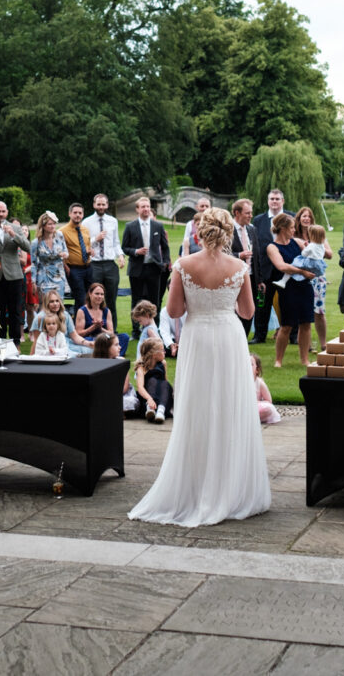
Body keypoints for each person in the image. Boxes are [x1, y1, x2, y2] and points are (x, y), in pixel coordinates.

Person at [129, 207, 270, 527]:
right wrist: (225, 297)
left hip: (197, 337)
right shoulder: (239, 266)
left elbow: (175, 310)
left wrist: (199, 298)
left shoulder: (183, 265)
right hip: (229, 336)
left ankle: (196, 484)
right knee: (229, 404)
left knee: (199, 406)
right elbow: (247, 312)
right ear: (228, 233)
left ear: (200, 232)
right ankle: (230, 485)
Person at [266, 213, 315, 368]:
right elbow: (281, 266)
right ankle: (278, 360)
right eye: (292, 227)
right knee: (287, 325)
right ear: (282, 228)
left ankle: (305, 359)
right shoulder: (272, 247)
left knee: (306, 323)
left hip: (305, 286)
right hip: (287, 289)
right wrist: (302, 271)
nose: (294, 230)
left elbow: (310, 257)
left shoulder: (297, 242)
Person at [0, 201, 32, 346]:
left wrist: (13, 235)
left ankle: (16, 343)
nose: (1, 214)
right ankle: (1, 341)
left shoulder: (16, 228)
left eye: (3, 211)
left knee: (15, 310)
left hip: (14, 274)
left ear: (7, 212)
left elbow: (27, 246)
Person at [122, 196, 171, 337]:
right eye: (143, 207)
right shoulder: (130, 226)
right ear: (137, 209)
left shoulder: (158, 226)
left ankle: (155, 328)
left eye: (148, 206)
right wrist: (136, 251)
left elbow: (165, 247)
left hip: (154, 268)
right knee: (136, 299)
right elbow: (124, 247)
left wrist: (166, 262)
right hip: (137, 268)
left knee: (154, 299)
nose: (146, 209)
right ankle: (135, 329)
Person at [250, 188, 291, 344]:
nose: (274, 201)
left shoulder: (291, 217)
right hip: (265, 269)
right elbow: (255, 245)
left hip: (285, 268)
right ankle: (259, 335)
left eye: (277, 199)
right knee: (262, 303)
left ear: (282, 201)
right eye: (272, 199)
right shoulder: (259, 220)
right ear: (268, 201)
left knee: (288, 302)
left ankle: (292, 335)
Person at [294, 210, 332, 352]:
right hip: (302, 276)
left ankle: (323, 343)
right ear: (299, 218)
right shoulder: (294, 235)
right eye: (304, 216)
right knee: (304, 310)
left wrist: (317, 245)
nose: (307, 218)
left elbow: (330, 254)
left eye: (309, 216)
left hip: (318, 277)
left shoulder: (319, 234)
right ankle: (306, 344)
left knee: (319, 311)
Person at [83, 193, 123, 321]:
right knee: (94, 298)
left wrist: (120, 255)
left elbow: (116, 242)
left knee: (111, 298)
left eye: (103, 204)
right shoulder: (87, 222)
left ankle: (112, 329)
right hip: (94, 265)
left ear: (107, 205)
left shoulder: (113, 221)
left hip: (110, 264)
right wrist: (96, 239)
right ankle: (95, 325)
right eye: (98, 204)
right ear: (94, 205)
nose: (101, 206)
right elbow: (84, 243)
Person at [229, 198, 262, 337]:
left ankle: (244, 339)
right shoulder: (227, 230)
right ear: (237, 213)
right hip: (233, 277)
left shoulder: (252, 229)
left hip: (251, 277)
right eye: (247, 213)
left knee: (250, 310)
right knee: (234, 311)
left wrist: (260, 280)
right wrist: (239, 255)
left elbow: (258, 256)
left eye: (251, 213)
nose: (250, 216)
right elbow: (222, 254)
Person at [28, 290, 91, 355]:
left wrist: (88, 343)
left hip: (67, 344)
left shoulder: (65, 315)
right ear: (47, 303)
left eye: (57, 301)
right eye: (51, 301)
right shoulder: (40, 317)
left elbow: (74, 336)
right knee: (74, 356)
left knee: (90, 350)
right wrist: (31, 358)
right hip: (51, 348)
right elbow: (36, 341)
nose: (55, 304)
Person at [76, 281, 129, 356]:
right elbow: (78, 333)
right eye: (97, 294)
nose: (99, 296)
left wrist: (101, 328)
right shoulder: (82, 311)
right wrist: (93, 327)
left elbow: (111, 333)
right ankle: (107, 355)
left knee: (124, 337)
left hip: (105, 339)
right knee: (89, 341)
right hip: (90, 339)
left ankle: (116, 355)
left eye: (102, 294)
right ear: (90, 294)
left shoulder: (106, 311)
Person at [94, 332, 139, 415]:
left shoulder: (122, 362)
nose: (120, 347)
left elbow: (124, 388)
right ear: (106, 348)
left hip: (120, 394)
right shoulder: (95, 364)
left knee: (129, 402)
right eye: (116, 345)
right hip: (103, 395)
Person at [30, 211, 69, 304]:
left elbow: (66, 252)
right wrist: (33, 282)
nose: (52, 226)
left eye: (54, 224)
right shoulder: (36, 242)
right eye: (49, 224)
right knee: (46, 305)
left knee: (58, 304)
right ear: (43, 226)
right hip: (44, 277)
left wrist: (64, 254)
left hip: (59, 275)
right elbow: (33, 263)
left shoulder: (59, 235)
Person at [133, 338, 174, 423]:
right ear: (154, 354)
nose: (165, 352)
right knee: (152, 380)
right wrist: (149, 399)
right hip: (147, 398)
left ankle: (160, 410)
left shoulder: (163, 363)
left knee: (165, 384)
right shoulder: (141, 368)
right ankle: (150, 409)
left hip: (162, 398)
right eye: (162, 350)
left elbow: (165, 382)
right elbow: (140, 387)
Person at [59, 203, 91, 312]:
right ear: (69, 214)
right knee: (80, 298)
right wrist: (65, 265)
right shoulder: (62, 231)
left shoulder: (85, 230)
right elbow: (59, 251)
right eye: (75, 213)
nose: (77, 215)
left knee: (90, 298)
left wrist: (89, 251)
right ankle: (78, 326)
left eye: (80, 213)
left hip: (88, 267)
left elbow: (86, 245)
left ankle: (88, 324)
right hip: (73, 269)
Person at [251, 354, 280, 424]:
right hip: (243, 407)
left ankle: (255, 418)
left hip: (255, 407)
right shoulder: (239, 382)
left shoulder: (259, 383)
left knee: (268, 409)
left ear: (257, 370)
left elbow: (268, 401)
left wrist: (257, 402)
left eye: (250, 364)